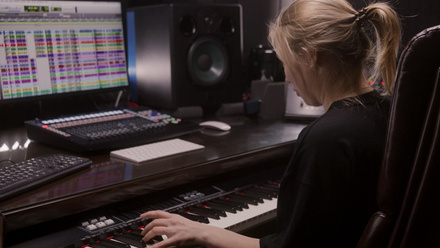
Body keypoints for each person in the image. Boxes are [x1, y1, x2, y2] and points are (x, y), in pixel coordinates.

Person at [139, 0, 402, 247]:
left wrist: (203, 231)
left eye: (285, 62)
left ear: (312, 56)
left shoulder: (327, 139)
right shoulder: (392, 112)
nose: (286, 77)